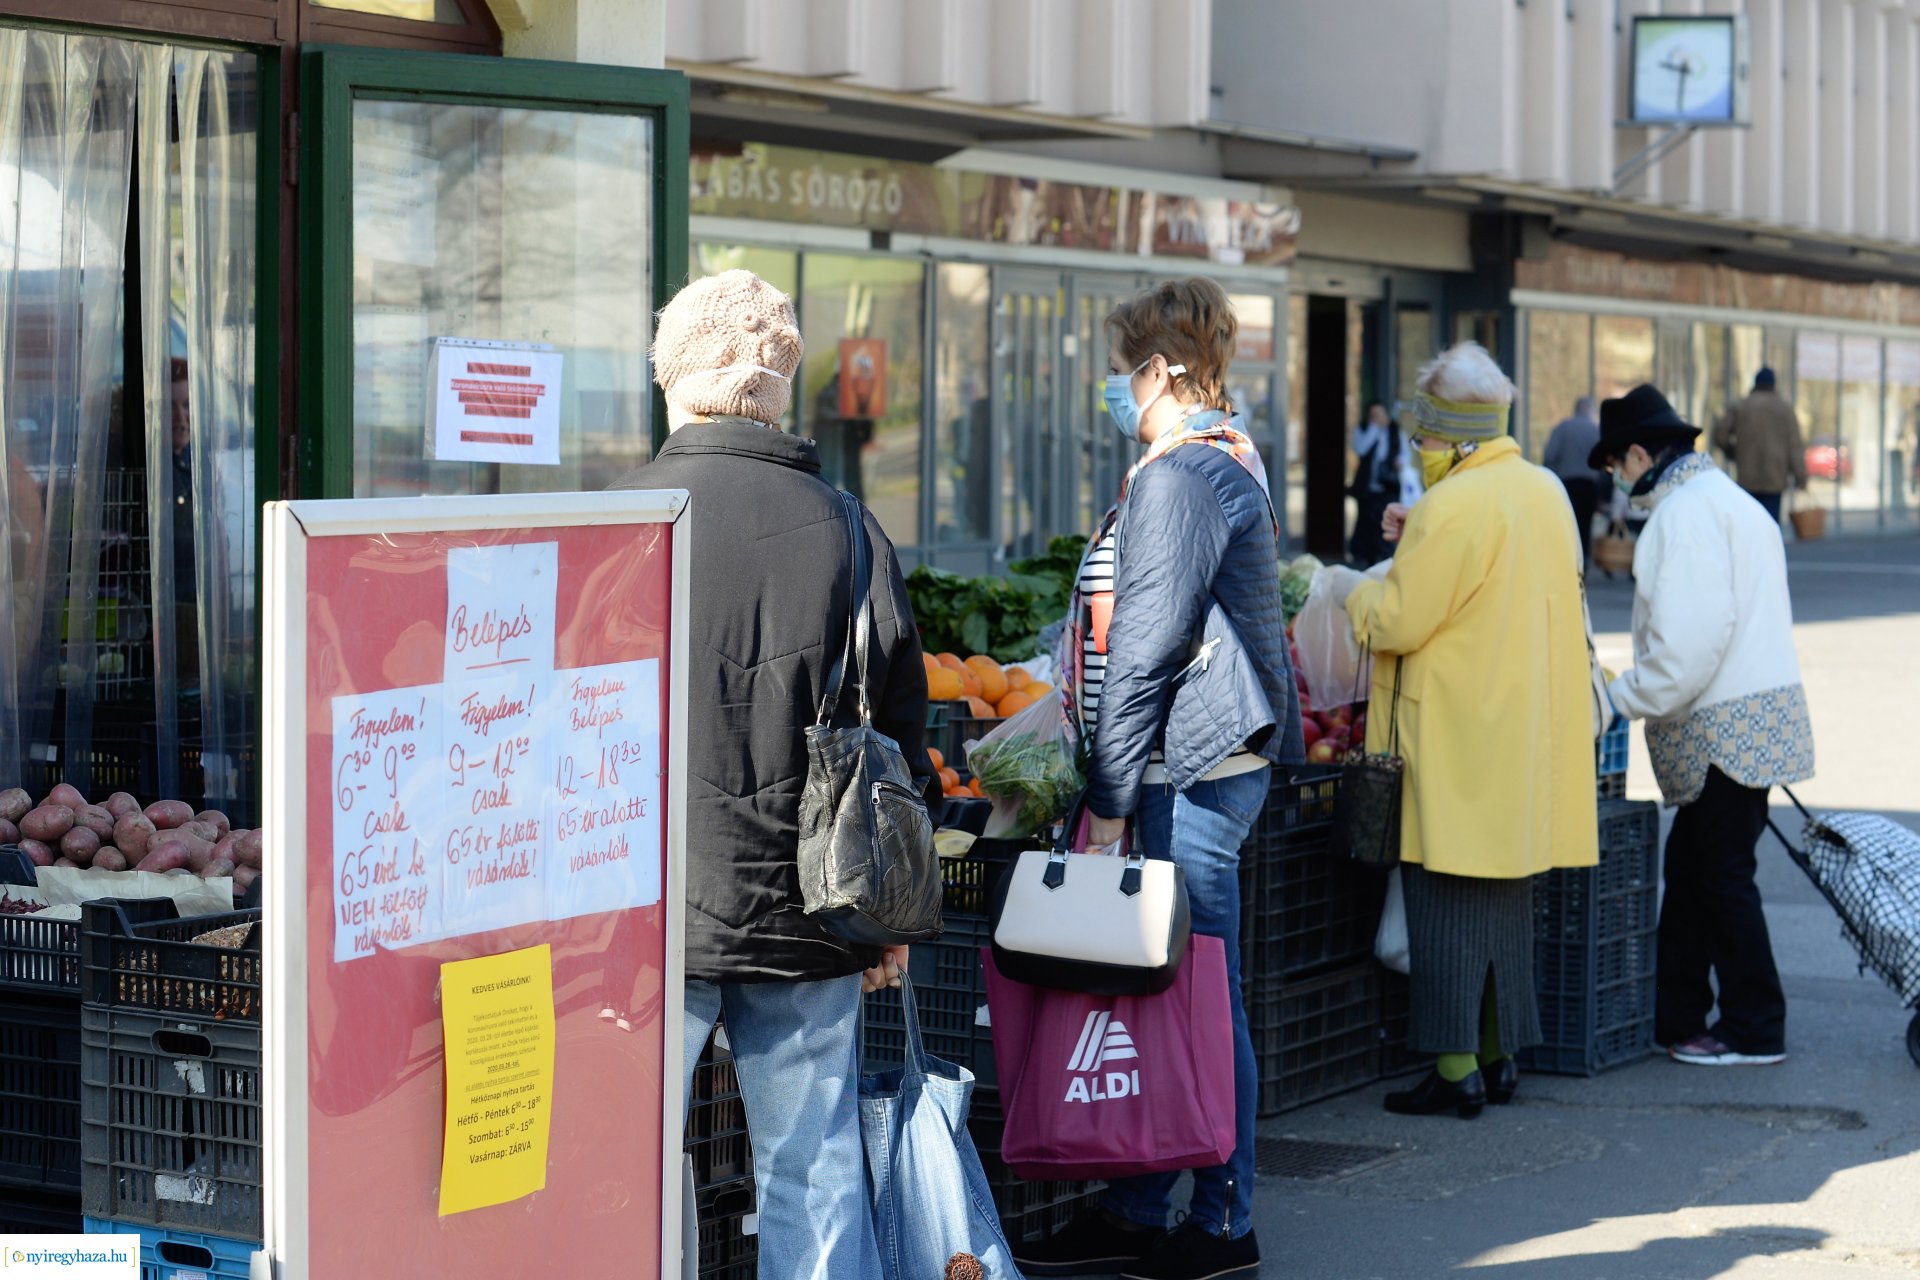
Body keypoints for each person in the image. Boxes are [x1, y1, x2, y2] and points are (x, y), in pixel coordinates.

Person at [613, 270, 935, 1277]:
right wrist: (884, 925)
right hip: (813, 906)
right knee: (812, 1166)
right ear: (781, 385)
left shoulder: (616, 520)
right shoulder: (847, 527)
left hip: (645, 908)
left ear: (674, 376)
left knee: (620, 1166)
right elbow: (903, 731)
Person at [1016, 277, 1303, 1280]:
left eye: (1122, 367)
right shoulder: (1210, 460)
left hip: (1184, 771)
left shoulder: (1185, 476)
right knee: (1166, 993)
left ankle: (1224, 1224)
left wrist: (1106, 799)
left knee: (1196, 1002)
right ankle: (1141, 1203)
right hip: (1190, 765)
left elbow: (1144, 646)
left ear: (1164, 371)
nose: (1111, 385)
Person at [1337, 342, 1599, 1119]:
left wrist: (1356, 593)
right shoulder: (1542, 489)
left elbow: (1398, 619)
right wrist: (1420, 526)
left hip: (1455, 739)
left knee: (1443, 903)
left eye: (1423, 439)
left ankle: (1455, 1072)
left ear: (1454, 438)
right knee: (1506, 908)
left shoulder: (1452, 507)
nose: (1417, 452)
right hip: (1523, 739)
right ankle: (1499, 1053)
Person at [1590, 384, 1815, 1067]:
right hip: (1756, 717)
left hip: (1722, 727)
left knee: (1716, 877)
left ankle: (1755, 1024)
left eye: (1615, 468)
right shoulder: (1731, 502)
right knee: (1694, 871)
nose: (1617, 482)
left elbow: (1688, 645)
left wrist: (1618, 698)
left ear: (1637, 454)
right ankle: (1676, 1015)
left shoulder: (1683, 516)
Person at [1711, 368, 1808, 524]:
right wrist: (1801, 477)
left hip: (1747, 477)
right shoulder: (1785, 409)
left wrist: (1733, 452)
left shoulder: (1741, 406)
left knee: (1747, 526)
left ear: (1755, 384)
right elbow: (1795, 446)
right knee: (1770, 526)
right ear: (1773, 384)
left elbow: (1719, 434)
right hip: (1774, 478)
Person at [1541, 395, 1606, 574]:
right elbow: (1604, 463)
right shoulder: (1596, 430)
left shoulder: (1563, 428)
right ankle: (1582, 560)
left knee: (1567, 522)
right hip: (1589, 484)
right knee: (1585, 525)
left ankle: (1565, 559)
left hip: (1566, 483)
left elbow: (1550, 455)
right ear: (1591, 410)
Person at [1348, 401, 1402, 566]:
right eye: (1373, 416)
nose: (1378, 418)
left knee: (1385, 524)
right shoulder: (1364, 429)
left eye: (1380, 414)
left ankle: (1385, 559)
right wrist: (1373, 429)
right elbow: (1360, 449)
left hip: (1387, 488)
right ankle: (1365, 559)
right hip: (1367, 489)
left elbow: (1403, 455)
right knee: (1365, 525)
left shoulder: (1395, 431)